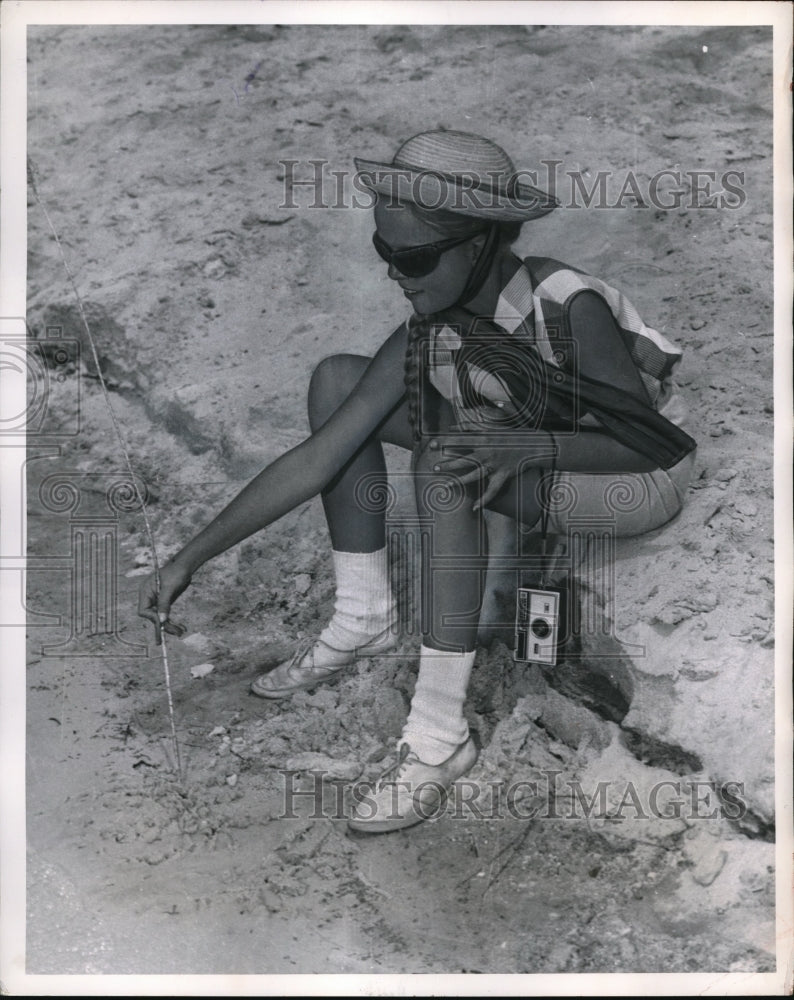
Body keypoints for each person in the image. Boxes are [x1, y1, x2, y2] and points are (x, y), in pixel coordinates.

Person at [138, 130, 696, 834]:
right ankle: (364, 617)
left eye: (414, 258)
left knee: (445, 464)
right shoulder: (437, 321)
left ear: (479, 245)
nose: (396, 274)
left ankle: (438, 738)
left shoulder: (564, 305)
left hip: (630, 472)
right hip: (528, 440)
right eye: (385, 252)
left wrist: (520, 447)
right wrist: (187, 558)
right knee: (339, 382)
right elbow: (316, 459)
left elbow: (655, 442)